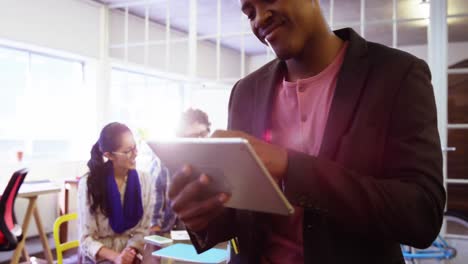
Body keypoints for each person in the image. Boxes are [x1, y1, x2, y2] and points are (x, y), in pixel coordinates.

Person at [168, 0, 446, 263]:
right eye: (249, 12)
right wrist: (203, 217)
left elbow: (422, 215)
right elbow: (243, 214)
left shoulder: (397, 74)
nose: (260, 18)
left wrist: (290, 168)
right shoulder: (245, 92)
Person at [78, 122, 156, 264]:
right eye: (128, 151)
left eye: (135, 147)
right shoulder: (89, 184)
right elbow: (86, 240)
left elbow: (143, 230)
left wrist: (128, 254)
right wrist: (116, 257)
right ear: (109, 155)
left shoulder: (145, 180)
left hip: (132, 255)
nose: (135, 154)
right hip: (100, 259)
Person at [151, 108, 211, 233]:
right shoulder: (163, 163)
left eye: (203, 135)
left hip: (205, 235)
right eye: (193, 137)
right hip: (169, 233)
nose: (199, 141)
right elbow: (154, 213)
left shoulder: (214, 162)